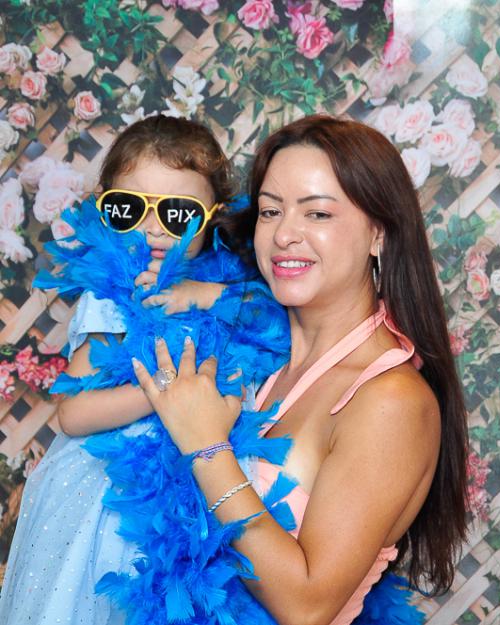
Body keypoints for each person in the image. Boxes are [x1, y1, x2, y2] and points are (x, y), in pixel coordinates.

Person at [132, 115, 470, 625]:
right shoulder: (255, 356)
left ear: (379, 233)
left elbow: (306, 605)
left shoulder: (390, 400)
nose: (284, 234)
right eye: (271, 211)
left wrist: (207, 447)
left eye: (318, 213)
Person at [0, 115, 290, 625]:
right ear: (104, 209)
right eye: (129, 209)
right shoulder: (110, 296)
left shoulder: (231, 287)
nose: (153, 228)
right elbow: (73, 413)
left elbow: (277, 322)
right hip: (115, 500)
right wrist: (164, 395)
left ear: (214, 217)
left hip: (204, 486)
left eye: (178, 214)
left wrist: (205, 295)